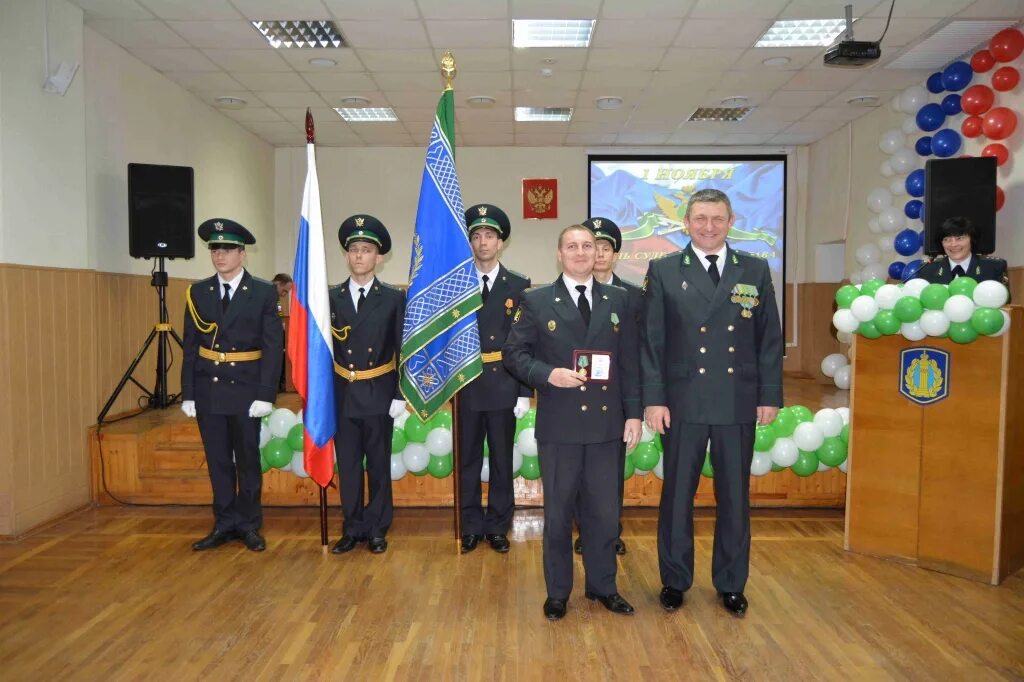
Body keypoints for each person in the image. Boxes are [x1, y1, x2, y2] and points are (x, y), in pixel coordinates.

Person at [641, 188, 783, 617]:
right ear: (686, 222)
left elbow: (769, 340)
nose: (708, 226)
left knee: (735, 498)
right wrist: (654, 398)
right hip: (682, 403)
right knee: (677, 496)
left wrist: (769, 394)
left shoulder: (755, 270)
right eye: (700, 218)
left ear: (731, 221)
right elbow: (652, 342)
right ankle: (675, 579)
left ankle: (731, 582)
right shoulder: (664, 270)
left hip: (736, 401)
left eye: (716, 219)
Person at [503, 224, 642, 621]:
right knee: (559, 515)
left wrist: (633, 413)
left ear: (598, 251)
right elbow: (514, 354)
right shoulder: (537, 300)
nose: (582, 252)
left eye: (589, 246)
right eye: (572, 246)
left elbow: (631, 361)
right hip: (560, 426)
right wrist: (548, 374)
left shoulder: (620, 299)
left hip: (605, 427)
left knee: (603, 513)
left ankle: (604, 587)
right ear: (559, 254)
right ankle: (558, 593)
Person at [181, 218, 282, 552]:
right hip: (209, 389)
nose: (219, 255)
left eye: (226, 249)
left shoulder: (264, 292)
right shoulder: (198, 292)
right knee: (218, 460)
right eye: (214, 249)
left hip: (246, 389)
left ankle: (249, 524)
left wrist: (266, 393)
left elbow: (271, 347)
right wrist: (189, 392)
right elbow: (191, 344)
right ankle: (224, 522)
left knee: (247, 460)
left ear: (242, 254)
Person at [329, 215, 407, 555]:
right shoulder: (330, 298)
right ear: (346, 256)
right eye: (354, 250)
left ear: (379, 257)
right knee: (347, 466)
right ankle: (352, 526)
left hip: (378, 391)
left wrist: (400, 393)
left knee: (377, 464)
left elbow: (402, 346)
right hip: (342, 393)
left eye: (367, 250)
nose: (360, 256)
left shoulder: (392, 298)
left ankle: (376, 527)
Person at [459, 203, 532, 554]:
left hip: (503, 382)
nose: (482, 242)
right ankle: (470, 523)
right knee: (468, 458)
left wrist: (523, 391)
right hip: (467, 383)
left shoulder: (519, 285)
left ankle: (498, 525)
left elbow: (525, 342)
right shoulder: (454, 285)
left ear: (501, 242)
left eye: (489, 236)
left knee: (503, 459)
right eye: (476, 236)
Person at [573, 217, 641, 558]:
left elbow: (636, 353)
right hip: (575, 397)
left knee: (610, 474)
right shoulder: (565, 293)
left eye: (605, 247)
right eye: (592, 246)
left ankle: (611, 532)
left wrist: (635, 408)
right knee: (579, 473)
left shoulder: (631, 296)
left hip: (612, 401)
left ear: (615, 254)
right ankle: (585, 532)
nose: (598, 253)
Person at [916, 217, 1010, 291]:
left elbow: (1005, 300)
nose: (953, 245)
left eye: (959, 238)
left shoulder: (993, 267)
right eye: (947, 239)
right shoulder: (927, 269)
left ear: (972, 240)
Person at [272, 273, 292, 391]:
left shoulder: (276, 299)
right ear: (278, 284)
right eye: (284, 291)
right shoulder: (265, 296)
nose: (285, 295)